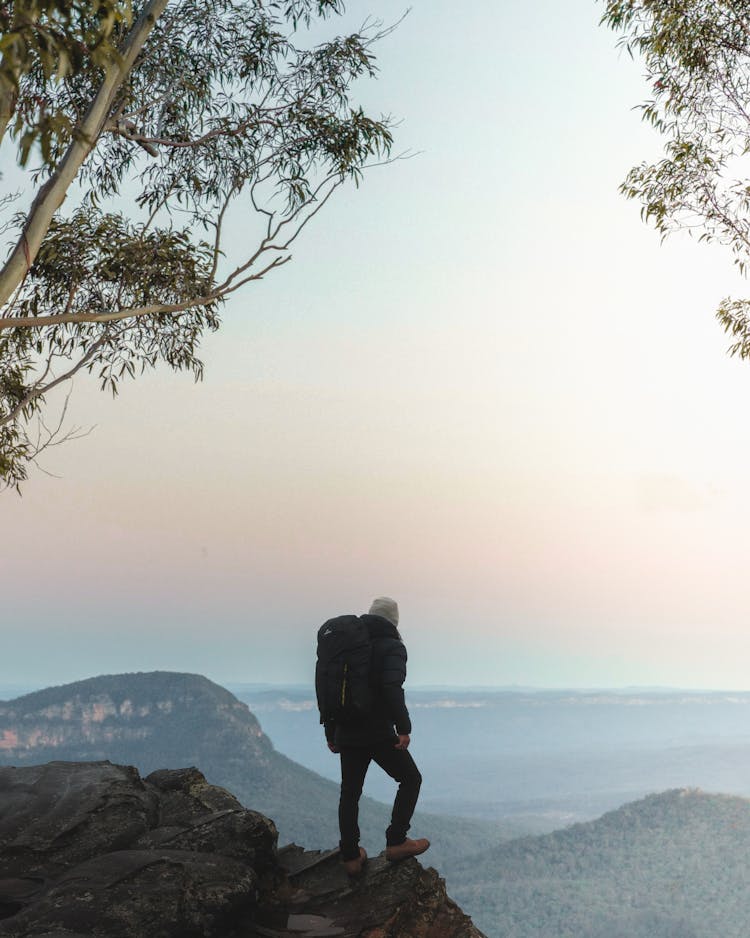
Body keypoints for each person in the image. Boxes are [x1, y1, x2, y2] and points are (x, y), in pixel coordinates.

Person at [324, 596, 430, 877]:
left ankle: (350, 856)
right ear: (393, 621)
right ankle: (396, 841)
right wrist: (403, 727)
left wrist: (331, 731)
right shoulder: (392, 647)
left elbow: (330, 689)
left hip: (347, 731)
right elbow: (392, 687)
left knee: (350, 793)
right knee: (410, 779)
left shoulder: (346, 646)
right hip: (379, 732)